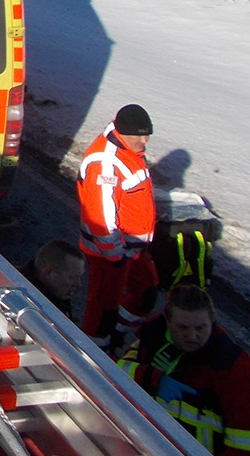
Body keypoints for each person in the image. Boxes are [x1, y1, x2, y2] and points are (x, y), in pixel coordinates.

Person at [118, 284, 250, 455]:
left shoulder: (232, 366)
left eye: (201, 328)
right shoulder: (152, 339)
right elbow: (117, 372)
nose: (192, 336)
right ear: (168, 322)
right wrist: (151, 378)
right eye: (183, 328)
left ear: (212, 322)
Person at [78, 103, 159, 351]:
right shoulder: (105, 163)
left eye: (147, 135)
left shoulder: (128, 152)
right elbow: (101, 219)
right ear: (123, 132)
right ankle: (96, 355)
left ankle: (117, 333)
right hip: (111, 254)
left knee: (146, 289)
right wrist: (116, 257)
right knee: (102, 308)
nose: (144, 141)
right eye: (140, 135)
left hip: (130, 249)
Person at [26, 238, 85, 315]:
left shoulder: (56, 294)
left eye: (79, 277)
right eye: (71, 277)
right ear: (49, 273)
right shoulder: (36, 313)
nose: (78, 284)